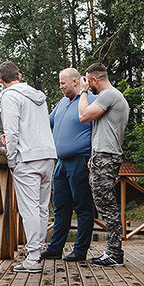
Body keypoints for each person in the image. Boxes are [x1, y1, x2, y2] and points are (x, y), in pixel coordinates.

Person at [0, 61, 57, 273]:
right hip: (47, 154)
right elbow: (32, 126)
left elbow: (13, 131)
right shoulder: (38, 96)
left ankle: (33, 258)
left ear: (0, 80)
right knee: (41, 206)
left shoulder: (9, 95)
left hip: (27, 158)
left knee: (29, 208)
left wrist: (11, 159)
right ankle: (37, 251)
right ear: (20, 76)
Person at [77, 62, 130, 267]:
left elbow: (84, 116)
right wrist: (94, 155)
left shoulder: (109, 95)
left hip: (106, 157)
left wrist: (83, 93)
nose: (88, 86)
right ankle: (113, 250)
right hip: (102, 156)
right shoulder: (112, 97)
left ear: (94, 80)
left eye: (88, 82)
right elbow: (102, 129)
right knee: (104, 202)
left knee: (105, 204)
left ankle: (115, 252)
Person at [40, 68, 96, 262]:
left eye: (63, 82)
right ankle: (55, 248)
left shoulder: (90, 100)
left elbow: (99, 130)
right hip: (61, 163)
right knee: (61, 207)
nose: (60, 86)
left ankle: (80, 250)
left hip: (80, 160)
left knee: (82, 206)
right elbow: (46, 123)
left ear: (75, 82)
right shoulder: (62, 103)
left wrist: (93, 156)